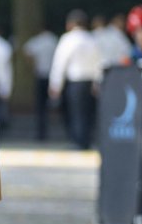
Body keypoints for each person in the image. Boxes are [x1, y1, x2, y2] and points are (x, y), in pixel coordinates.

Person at [49, 10, 103, 150]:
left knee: (76, 113)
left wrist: (56, 85)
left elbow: (60, 63)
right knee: (88, 113)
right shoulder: (92, 39)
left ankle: (77, 141)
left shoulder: (68, 39)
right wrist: (97, 82)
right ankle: (86, 140)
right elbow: (99, 62)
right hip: (90, 81)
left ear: (71, 24)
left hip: (75, 81)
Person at [22, 27, 58, 141]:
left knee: (40, 106)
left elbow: (26, 50)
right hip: (52, 75)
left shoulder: (37, 40)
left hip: (40, 74)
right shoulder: (54, 40)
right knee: (50, 104)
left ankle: (41, 132)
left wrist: (32, 65)